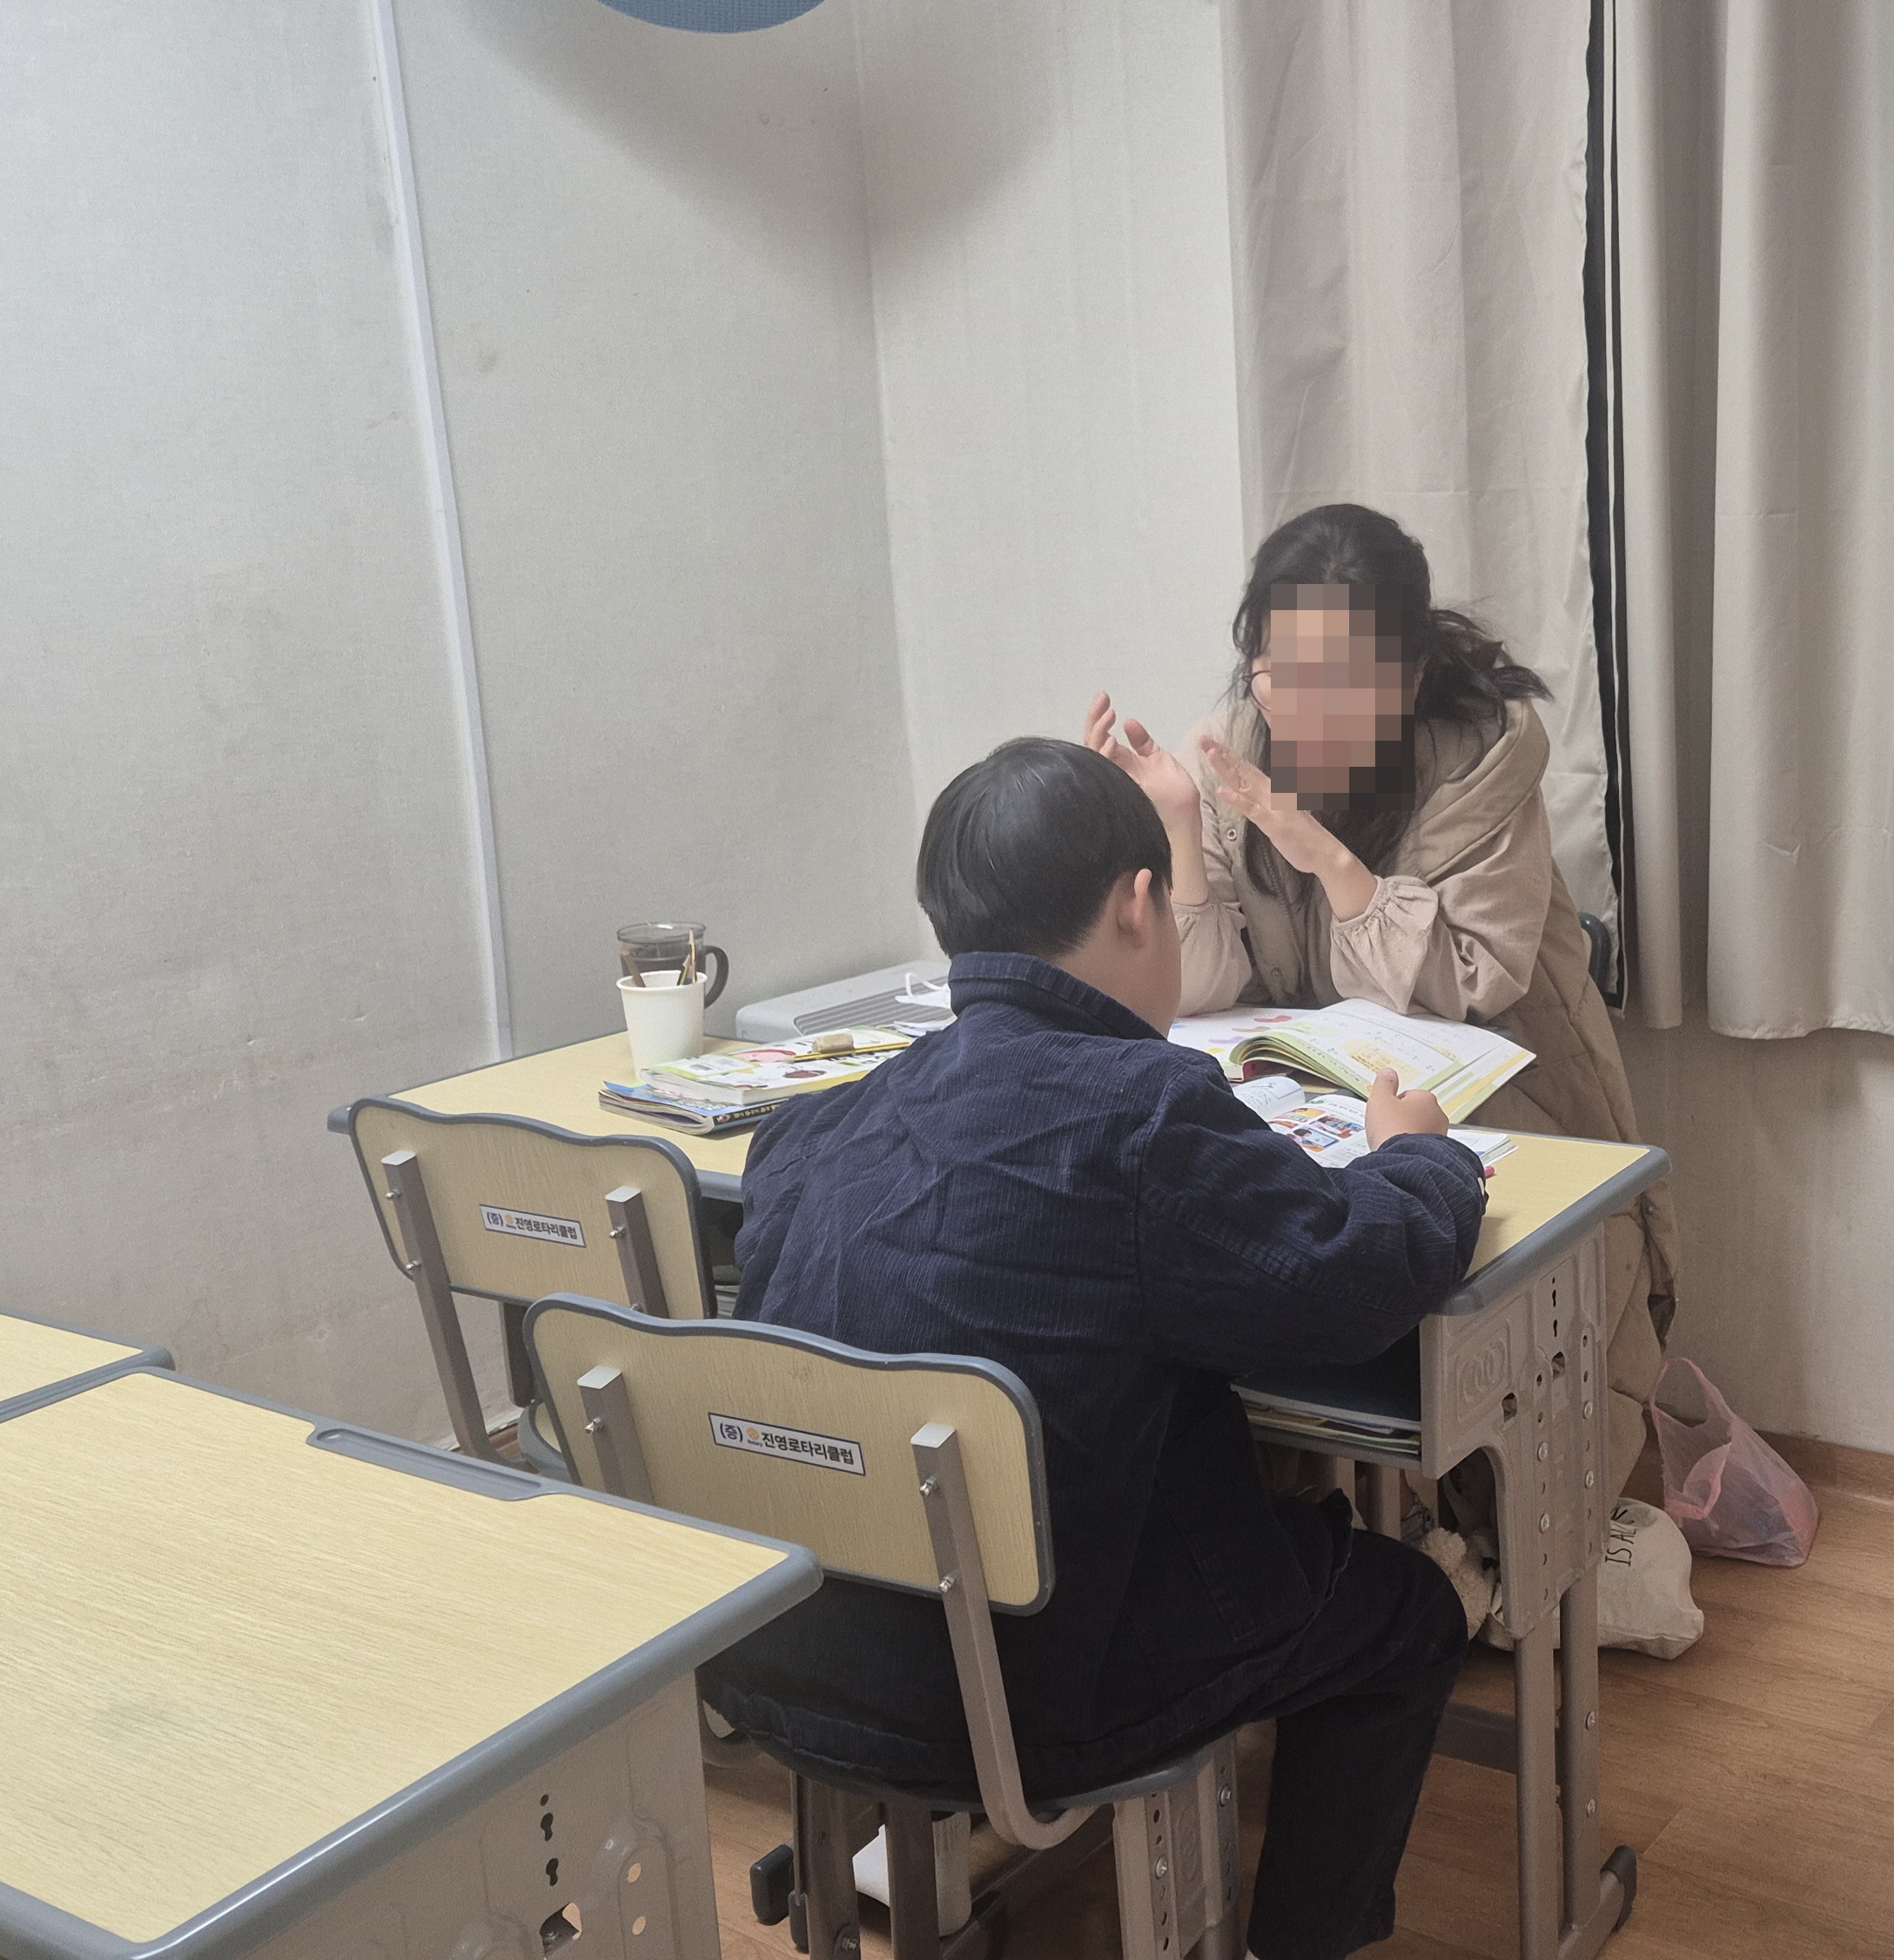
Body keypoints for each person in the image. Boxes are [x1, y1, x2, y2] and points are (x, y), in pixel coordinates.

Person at [711, 736, 1483, 1960]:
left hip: (781, 1652)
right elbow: (1352, 1288)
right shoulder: (1147, 1109)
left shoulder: (814, 1128)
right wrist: (1420, 1155)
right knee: (1408, 1612)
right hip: (1024, 1696)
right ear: (1138, 903)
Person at [1081, 501, 1676, 1497]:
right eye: (1283, 674)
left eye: (1345, 681)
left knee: (1480, 1281)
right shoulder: (1233, 744)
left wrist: (1319, 851)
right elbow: (1202, 986)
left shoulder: (1482, 754)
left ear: (1406, 674)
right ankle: (1335, 1512)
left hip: (1498, 1073)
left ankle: (1494, 1519)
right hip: (1317, 1088)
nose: (1307, 711)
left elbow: (1476, 977)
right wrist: (1180, 826)